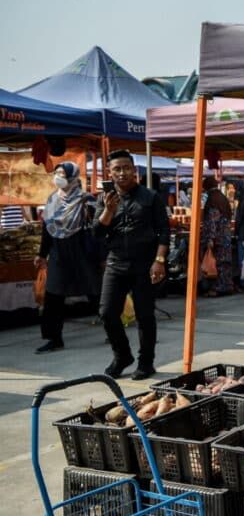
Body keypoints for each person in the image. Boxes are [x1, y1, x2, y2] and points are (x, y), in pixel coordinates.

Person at [93, 150, 170, 379]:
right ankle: (122, 356)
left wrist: (159, 261)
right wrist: (108, 209)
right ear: (110, 173)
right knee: (107, 312)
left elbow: (164, 231)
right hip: (116, 263)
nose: (122, 173)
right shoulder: (104, 199)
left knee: (145, 315)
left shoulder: (150, 197)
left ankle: (146, 363)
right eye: (117, 169)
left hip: (144, 264)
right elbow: (97, 232)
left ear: (134, 171)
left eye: (126, 168)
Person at [34, 162, 102, 353]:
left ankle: (112, 327)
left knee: (95, 292)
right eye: (56, 173)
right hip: (58, 252)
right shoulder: (52, 199)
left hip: (81, 251)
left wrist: (102, 256)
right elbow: (47, 230)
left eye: (62, 174)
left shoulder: (86, 199)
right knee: (53, 295)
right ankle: (53, 339)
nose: (58, 177)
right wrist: (42, 254)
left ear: (73, 176)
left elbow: (98, 230)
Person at [199, 176, 234, 296]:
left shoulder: (212, 200)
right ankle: (227, 286)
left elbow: (213, 221)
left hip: (218, 238)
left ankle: (218, 288)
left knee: (217, 264)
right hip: (226, 236)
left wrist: (210, 238)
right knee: (225, 264)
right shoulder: (223, 198)